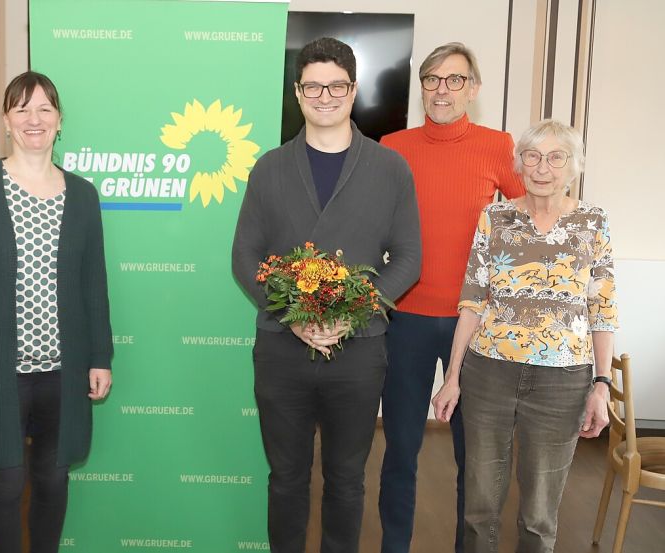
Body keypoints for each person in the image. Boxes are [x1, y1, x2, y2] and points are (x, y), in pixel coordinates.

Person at [232, 38, 421, 553]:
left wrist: (352, 314)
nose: (325, 96)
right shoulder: (269, 167)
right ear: (298, 92)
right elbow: (244, 258)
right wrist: (291, 316)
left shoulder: (390, 169)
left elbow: (408, 259)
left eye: (336, 85)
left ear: (354, 90)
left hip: (358, 351)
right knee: (287, 478)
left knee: (346, 480)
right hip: (281, 347)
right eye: (313, 85)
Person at [0, 71, 113, 553]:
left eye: (44, 110)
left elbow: (93, 284)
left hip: (64, 368)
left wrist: (101, 356)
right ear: (6, 121)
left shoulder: (82, 194)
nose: (33, 119)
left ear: (60, 121)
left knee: (54, 482)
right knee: (5, 484)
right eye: (22, 109)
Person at [432, 119, 616, 553]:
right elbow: (472, 301)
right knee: (479, 508)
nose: (542, 167)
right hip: (489, 374)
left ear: (573, 166)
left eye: (556, 157)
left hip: (563, 381)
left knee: (538, 515)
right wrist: (453, 376)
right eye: (532, 156)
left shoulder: (593, 222)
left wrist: (602, 385)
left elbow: (602, 309)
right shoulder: (495, 218)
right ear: (519, 163)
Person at [377, 42, 525, 553]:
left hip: (476, 326)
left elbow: (531, 219)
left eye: (454, 79)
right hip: (405, 321)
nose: (442, 89)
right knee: (400, 452)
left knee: (475, 457)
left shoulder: (499, 146)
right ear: (422, 88)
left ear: (473, 89)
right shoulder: (392, 146)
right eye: (433, 79)